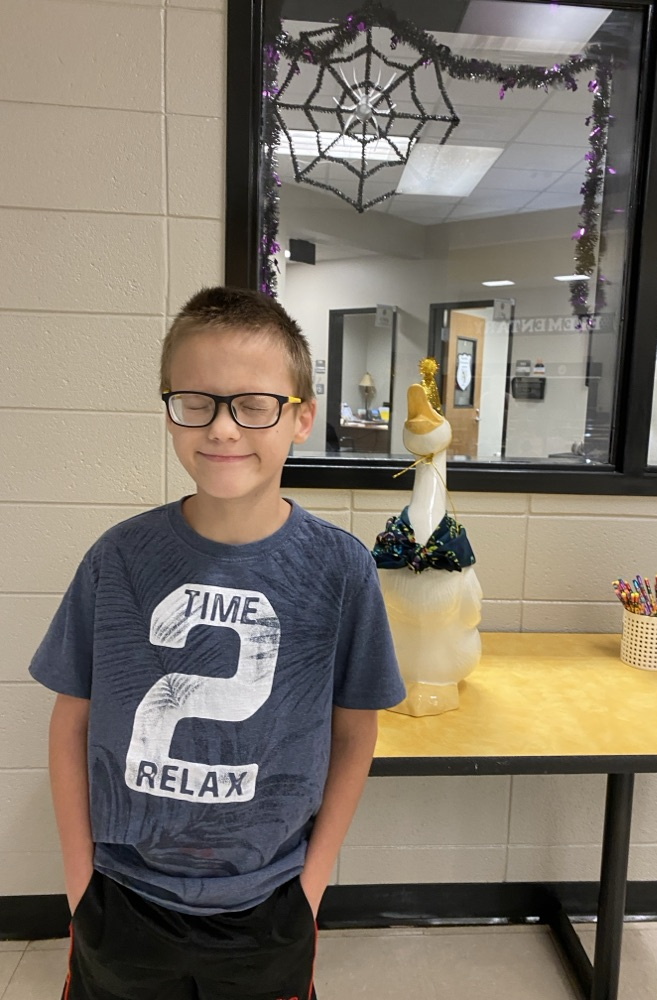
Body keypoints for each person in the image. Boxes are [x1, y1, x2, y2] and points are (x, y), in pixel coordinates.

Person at [29, 286, 406, 1000]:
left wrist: (312, 885)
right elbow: (70, 719)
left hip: (270, 905)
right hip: (121, 896)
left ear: (301, 418)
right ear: (169, 410)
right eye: (196, 401)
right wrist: (79, 885)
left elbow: (356, 733)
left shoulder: (342, 570)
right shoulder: (118, 559)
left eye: (254, 405)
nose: (224, 429)